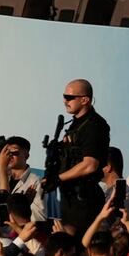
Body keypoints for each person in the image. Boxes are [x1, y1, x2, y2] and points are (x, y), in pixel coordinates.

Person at [52, 79, 109, 235]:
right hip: (70, 198)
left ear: (85, 100)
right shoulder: (75, 124)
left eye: (69, 97)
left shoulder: (94, 125)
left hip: (84, 200)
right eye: (64, 96)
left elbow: (90, 164)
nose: (65, 101)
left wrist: (58, 179)